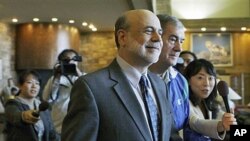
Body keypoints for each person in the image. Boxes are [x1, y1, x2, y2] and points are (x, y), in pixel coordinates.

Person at [61, 9, 172, 141]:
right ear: (122, 37)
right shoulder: (91, 88)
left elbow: (170, 134)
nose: (158, 39)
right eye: (148, 31)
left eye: (160, 33)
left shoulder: (160, 85)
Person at [149, 14, 189, 140]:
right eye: (172, 39)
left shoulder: (181, 81)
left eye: (181, 41)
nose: (179, 48)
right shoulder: (136, 80)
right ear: (156, 39)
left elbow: (187, 121)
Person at [183, 59, 237, 141]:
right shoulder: (184, 103)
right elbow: (196, 123)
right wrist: (221, 125)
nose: (207, 83)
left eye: (211, 78)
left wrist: (229, 120)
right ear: (188, 80)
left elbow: (221, 116)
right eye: (200, 78)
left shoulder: (209, 102)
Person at [4, 70, 59, 141]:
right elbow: (16, 117)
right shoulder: (12, 104)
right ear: (19, 86)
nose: (34, 86)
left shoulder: (41, 106)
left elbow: (51, 133)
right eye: (29, 82)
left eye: (37, 83)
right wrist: (24, 116)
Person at [42, 49, 84, 135]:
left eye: (74, 59)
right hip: (59, 125)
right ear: (61, 62)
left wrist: (77, 72)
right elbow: (46, 98)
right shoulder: (54, 79)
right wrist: (57, 77)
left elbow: (89, 92)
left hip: (79, 124)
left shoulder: (84, 77)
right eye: (66, 60)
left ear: (77, 62)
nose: (70, 62)